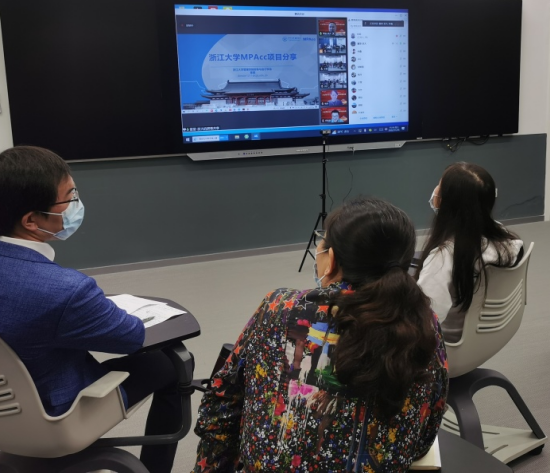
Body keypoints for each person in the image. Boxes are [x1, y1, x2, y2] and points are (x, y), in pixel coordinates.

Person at [0, 146, 182, 472]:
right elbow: (130, 337)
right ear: (30, 220)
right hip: (53, 419)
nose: (75, 206)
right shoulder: (65, 290)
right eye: (69, 198)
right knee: (168, 362)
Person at [193, 198, 448, 472]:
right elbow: (425, 432)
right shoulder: (420, 323)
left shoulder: (279, 308)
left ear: (331, 259)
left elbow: (222, 403)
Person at [415, 162, 523, 344]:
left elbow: (425, 321)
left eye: (440, 187)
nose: (435, 192)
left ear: (446, 202)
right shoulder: (508, 243)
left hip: (450, 344)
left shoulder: (443, 258)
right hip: (491, 335)